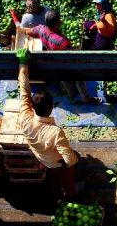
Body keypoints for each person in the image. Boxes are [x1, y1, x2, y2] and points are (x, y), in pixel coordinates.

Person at [15, 49, 81, 200]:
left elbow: (23, 89)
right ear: (51, 108)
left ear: (32, 106)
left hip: (42, 158)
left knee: (53, 176)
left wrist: (23, 63)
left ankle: (55, 192)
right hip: (56, 162)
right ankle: (70, 195)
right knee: (67, 176)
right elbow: (69, 160)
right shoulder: (55, 132)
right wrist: (74, 159)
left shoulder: (25, 116)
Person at [11, 9, 102, 105]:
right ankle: (86, 98)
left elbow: (28, 32)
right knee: (78, 78)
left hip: (55, 65)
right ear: (57, 24)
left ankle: (72, 93)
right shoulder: (62, 41)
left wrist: (40, 36)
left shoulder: (40, 29)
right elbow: (72, 57)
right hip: (66, 64)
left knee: (64, 78)